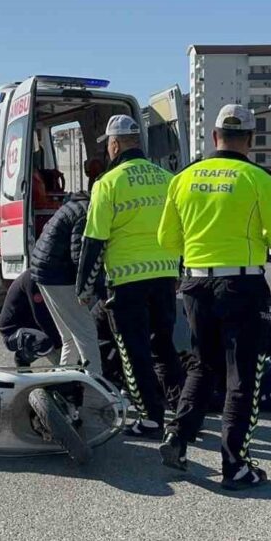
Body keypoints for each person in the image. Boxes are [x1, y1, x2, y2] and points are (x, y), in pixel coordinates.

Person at [156, 104, 271, 491]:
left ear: (214, 136)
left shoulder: (183, 179)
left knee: (203, 365)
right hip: (241, 286)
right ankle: (235, 466)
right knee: (242, 376)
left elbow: (167, 241)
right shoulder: (256, 178)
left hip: (195, 284)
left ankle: (178, 437)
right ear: (250, 140)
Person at [77, 114, 184, 439]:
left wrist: (84, 288)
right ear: (137, 142)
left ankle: (151, 420)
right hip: (165, 276)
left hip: (127, 281)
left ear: (113, 144)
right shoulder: (167, 179)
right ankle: (183, 412)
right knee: (163, 346)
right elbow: (179, 231)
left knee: (132, 352)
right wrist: (178, 270)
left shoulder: (107, 183)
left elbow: (94, 240)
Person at [30, 189, 103, 376]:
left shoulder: (72, 206)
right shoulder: (87, 212)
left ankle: (63, 381)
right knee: (86, 332)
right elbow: (80, 256)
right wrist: (89, 289)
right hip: (57, 274)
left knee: (69, 335)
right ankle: (96, 391)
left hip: (42, 271)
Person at [0, 269, 62, 367]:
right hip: (12, 330)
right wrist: (59, 346)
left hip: (31, 323)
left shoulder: (52, 277)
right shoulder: (32, 279)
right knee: (44, 342)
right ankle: (22, 358)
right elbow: (41, 318)